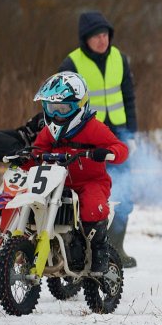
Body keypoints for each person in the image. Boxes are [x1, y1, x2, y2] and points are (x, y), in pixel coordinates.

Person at [58, 11, 138, 268]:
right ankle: (85, 249)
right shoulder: (71, 63)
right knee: (89, 192)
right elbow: (61, 104)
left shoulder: (120, 58)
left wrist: (132, 135)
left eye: (105, 35)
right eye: (96, 36)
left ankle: (117, 249)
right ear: (85, 39)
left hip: (119, 135)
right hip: (86, 137)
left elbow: (129, 98)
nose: (102, 41)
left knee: (126, 192)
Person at [31, 71, 128, 273]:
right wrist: (26, 159)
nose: (57, 115)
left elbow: (121, 149)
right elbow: (37, 151)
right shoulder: (48, 131)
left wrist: (107, 153)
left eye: (63, 109)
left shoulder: (93, 128)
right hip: (56, 183)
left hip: (91, 181)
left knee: (92, 207)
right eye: (52, 109)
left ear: (79, 106)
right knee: (34, 203)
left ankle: (100, 253)